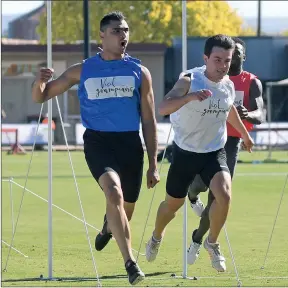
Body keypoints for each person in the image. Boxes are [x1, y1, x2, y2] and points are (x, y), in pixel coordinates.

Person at [32, 11, 160, 285]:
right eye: (116, 30)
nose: (123, 35)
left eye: (125, 30)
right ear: (102, 36)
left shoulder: (140, 72)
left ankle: (108, 225)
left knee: (124, 208)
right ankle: (131, 263)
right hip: (98, 142)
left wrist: (153, 164)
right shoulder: (83, 69)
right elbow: (41, 96)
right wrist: (39, 79)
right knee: (113, 192)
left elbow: (149, 120)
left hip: (130, 144)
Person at [145, 35, 254, 273]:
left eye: (227, 60)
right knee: (171, 207)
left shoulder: (228, 84)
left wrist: (245, 135)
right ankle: (156, 236)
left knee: (224, 195)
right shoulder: (189, 79)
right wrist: (190, 97)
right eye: (217, 60)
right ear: (205, 58)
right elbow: (162, 108)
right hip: (185, 153)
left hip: (213, 152)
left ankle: (212, 243)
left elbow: (229, 110)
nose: (223, 65)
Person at [186, 37, 264, 268]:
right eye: (231, 54)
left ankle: (199, 241)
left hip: (231, 142)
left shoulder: (251, 82)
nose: (234, 58)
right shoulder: (214, 77)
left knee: (219, 197)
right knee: (199, 185)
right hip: (208, 137)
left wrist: (247, 115)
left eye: (237, 54)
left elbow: (261, 113)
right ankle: (191, 195)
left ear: (243, 57)